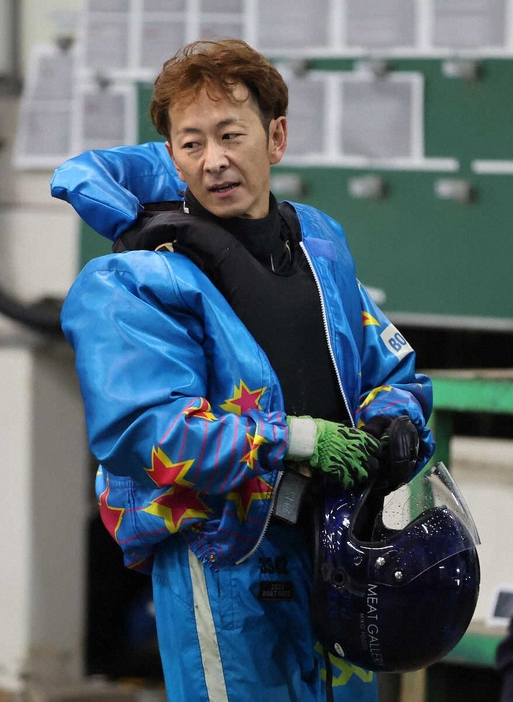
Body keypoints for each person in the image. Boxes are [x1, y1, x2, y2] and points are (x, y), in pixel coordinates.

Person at [53, 39, 435, 702]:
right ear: (170, 154)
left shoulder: (319, 243)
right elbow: (144, 430)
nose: (215, 160)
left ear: (276, 136)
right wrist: (292, 439)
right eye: (191, 143)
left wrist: (397, 420)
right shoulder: (133, 281)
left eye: (231, 134)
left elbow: (387, 363)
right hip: (222, 561)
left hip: (337, 551)